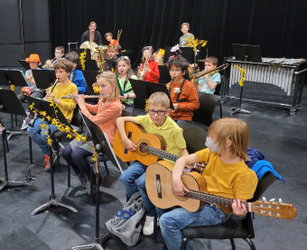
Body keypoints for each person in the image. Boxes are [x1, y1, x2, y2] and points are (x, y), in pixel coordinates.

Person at [159, 118, 258, 250]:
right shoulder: (213, 154)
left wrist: (239, 214)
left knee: (167, 220)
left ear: (228, 143)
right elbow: (182, 160)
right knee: (161, 200)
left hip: (217, 211)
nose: (208, 140)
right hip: (199, 195)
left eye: (211, 137)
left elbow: (238, 214)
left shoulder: (245, 175)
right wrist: (176, 180)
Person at [117, 91, 188, 236]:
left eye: (160, 112)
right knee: (125, 177)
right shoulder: (146, 119)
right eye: (152, 111)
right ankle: (140, 205)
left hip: (165, 163)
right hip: (146, 159)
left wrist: (185, 163)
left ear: (168, 112)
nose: (155, 115)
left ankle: (150, 214)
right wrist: (125, 140)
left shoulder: (175, 129)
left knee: (143, 182)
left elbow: (183, 151)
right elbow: (120, 121)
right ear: (147, 110)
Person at [61, 71, 122, 187]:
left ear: (113, 86)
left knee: (76, 155)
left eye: (103, 86)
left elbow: (93, 120)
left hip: (104, 140)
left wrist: (82, 105)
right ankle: (81, 172)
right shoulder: (103, 99)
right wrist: (78, 102)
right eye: (99, 86)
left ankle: (93, 178)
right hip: (92, 134)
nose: (100, 90)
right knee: (65, 152)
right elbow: (95, 109)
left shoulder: (115, 106)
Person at [27, 59, 78, 171]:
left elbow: (72, 106)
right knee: (31, 130)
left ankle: (52, 153)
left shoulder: (72, 87)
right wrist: (43, 101)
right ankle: (51, 153)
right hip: (50, 116)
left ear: (68, 73)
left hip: (63, 119)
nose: (57, 75)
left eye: (60, 72)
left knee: (45, 134)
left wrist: (56, 100)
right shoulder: (52, 86)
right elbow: (48, 103)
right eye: (56, 72)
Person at [166, 56, 199, 121]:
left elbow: (195, 105)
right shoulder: (168, 85)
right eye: (172, 70)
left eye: (177, 70)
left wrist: (178, 106)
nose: (174, 73)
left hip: (183, 119)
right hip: (170, 117)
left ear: (183, 72)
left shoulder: (189, 86)